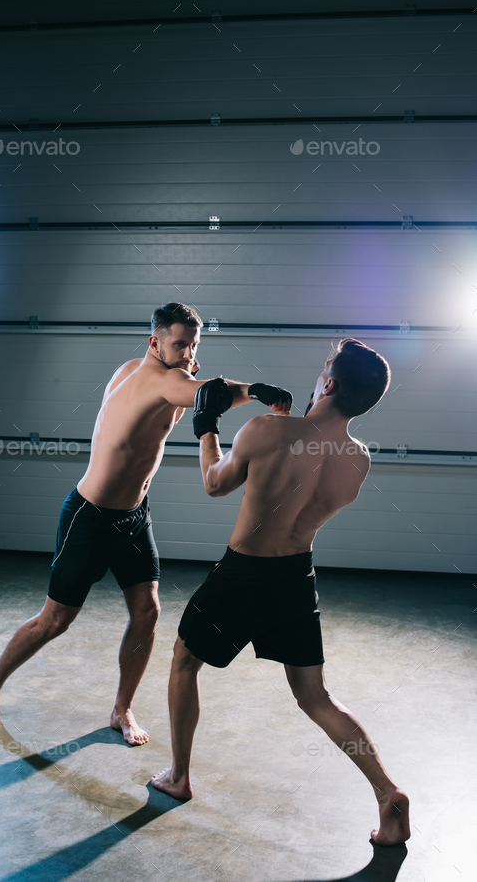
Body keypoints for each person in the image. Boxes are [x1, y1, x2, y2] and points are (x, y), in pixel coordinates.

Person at [0, 302, 291, 744]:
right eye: (179, 343)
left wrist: (235, 385)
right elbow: (209, 395)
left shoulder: (144, 369)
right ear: (155, 341)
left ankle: (122, 709)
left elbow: (201, 388)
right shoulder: (157, 379)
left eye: (193, 345)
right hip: (91, 516)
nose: (186, 352)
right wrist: (255, 389)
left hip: (133, 516)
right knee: (56, 620)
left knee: (147, 612)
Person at [152, 338, 411, 846]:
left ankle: (179, 777)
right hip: (296, 579)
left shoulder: (267, 428)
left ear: (330, 383)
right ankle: (386, 791)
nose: (320, 374)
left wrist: (207, 429)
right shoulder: (358, 460)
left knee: (185, 660)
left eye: (324, 368)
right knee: (315, 696)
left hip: (244, 572)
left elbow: (214, 483)